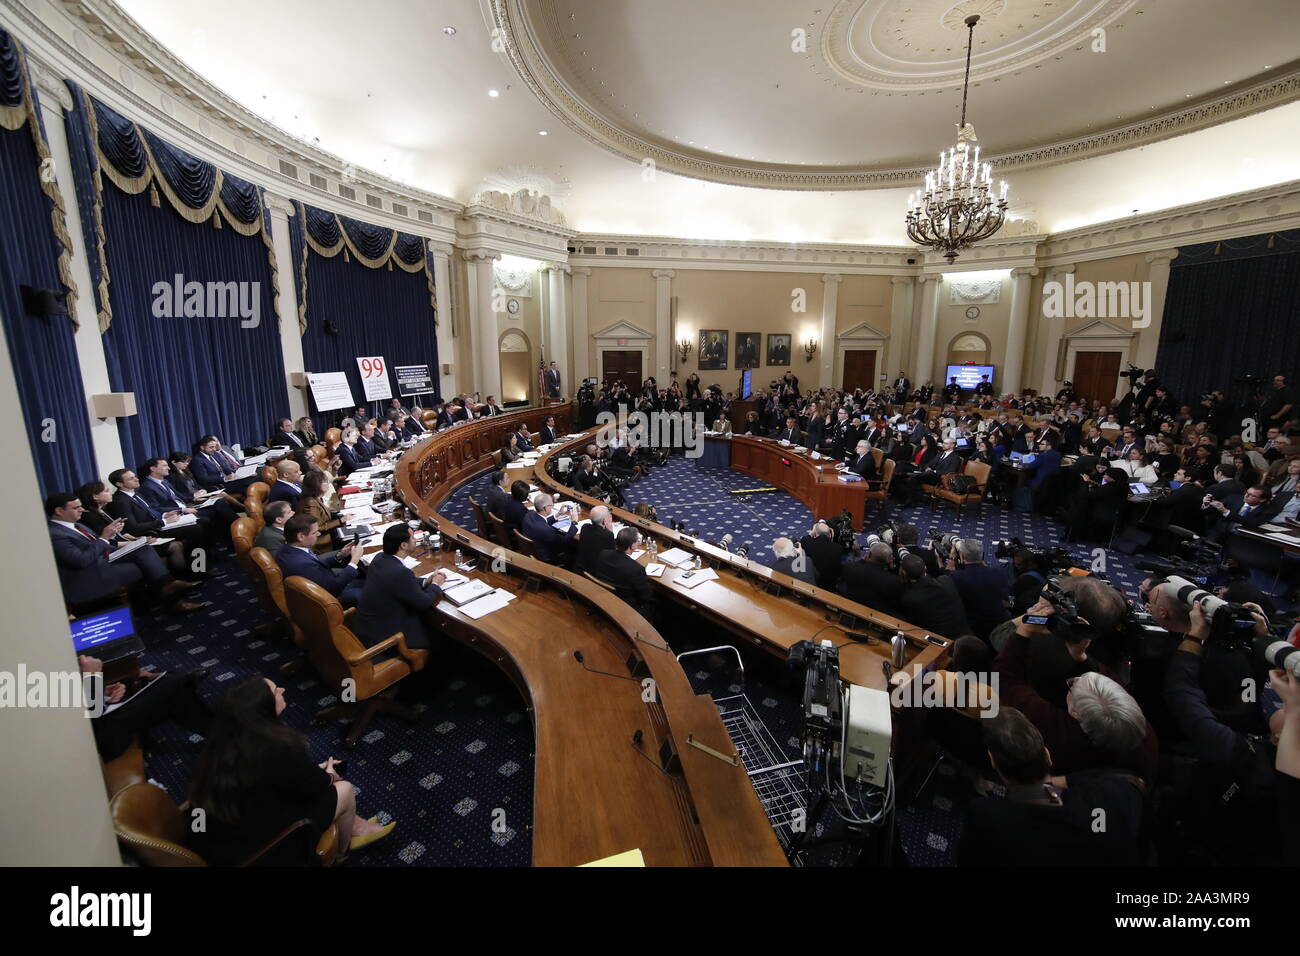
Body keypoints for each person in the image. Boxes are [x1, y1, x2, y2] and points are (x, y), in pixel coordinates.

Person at [187, 677, 393, 865]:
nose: (283, 690)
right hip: (261, 845)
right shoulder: (276, 746)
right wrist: (330, 774)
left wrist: (311, 772)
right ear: (264, 708)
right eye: (277, 691)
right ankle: (340, 854)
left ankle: (356, 826)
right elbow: (318, 785)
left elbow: (274, 777)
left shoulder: (225, 743)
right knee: (345, 790)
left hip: (228, 831)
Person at [995, 596, 1157, 783]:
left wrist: (1024, 631)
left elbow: (1006, 680)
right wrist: (1080, 657)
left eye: (1073, 685)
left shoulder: (1060, 735)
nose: (1073, 682)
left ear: (1074, 713)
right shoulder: (1145, 737)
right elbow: (1110, 680)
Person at [958, 708, 1145, 866]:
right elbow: (1130, 782)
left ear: (993, 762)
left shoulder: (987, 814)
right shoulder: (1109, 799)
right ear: (1047, 755)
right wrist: (1064, 782)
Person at [46, 491, 201, 609]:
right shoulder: (55, 534)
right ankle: (172, 598)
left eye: (80, 506)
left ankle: (167, 586)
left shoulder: (77, 525)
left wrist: (123, 541)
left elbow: (101, 543)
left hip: (106, 558)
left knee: (143, 549)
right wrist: (104, 537)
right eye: (76, 507)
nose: (81, 510)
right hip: (91, 572)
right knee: (146, 567)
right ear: (59, 511)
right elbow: (81, 560)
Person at [354, 524, 446, 654]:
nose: (416, 540)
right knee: (441, 636)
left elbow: (402, 584)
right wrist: (436, 584)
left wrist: (426, 581)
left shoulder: (380, 558)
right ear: (403, 545)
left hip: (368, 626)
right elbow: (423, 602)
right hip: (386, 634)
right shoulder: (399, 572)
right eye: (413, 537)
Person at [276, 515, 364, 608]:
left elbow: (316, 564)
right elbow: (334, 588)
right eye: (314, 532)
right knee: (373, 586)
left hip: (325, 582)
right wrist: (354, 561)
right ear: (301, 536)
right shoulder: (301, 563)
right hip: (331, 599)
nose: (319, 534)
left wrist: (340, 555)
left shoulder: (289, 549)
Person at [944, 539, 1010, 643]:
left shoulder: (956, 576)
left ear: (961, 555)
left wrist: (952, 558)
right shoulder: (1000, 572)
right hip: (998, 627)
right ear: (982, 555)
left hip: (970, 629)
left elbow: (944, 579)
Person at [897, 553, 970, 638]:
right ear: (925, 568)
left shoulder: (910, 598)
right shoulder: (946, 580)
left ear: (904, 573)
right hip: (966, 634)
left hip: (942, 642)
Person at [595, 527, 653, 616]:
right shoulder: (636, 569)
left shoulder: (603, 554)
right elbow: (645, 597)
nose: (638, 543)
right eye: (637, 541)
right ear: (632, 546)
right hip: (627, 609)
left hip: (605, 598)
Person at [838, 542, 903, 614]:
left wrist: (862, 560)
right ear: (889, 560)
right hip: (875, 614)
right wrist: (892, 569)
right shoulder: (892, 581)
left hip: (848, 606)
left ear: (868, 554)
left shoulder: (850, 567)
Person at [520, 493, 578, 565]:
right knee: (574, 548)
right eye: (551, 505)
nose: (552, 506)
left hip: (532, 550)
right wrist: (574, 522)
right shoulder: (546, 530)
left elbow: (543, 521)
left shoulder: (529, 514)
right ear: (545, 508)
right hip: (546, 558)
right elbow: (563, 539)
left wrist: (558, 514)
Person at [798, 521, 843, 591]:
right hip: (828, 587)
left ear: (814, 534)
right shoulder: (838, 548)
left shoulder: (805, 541)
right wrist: (832, 539)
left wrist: (811, 534)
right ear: (830, 535)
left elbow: (806, 539)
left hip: (808, 584)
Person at [576, 504, 616, 574]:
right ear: (604, 521)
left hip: (580, 567)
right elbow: (613, 553)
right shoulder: (608, 535)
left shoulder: (585, 527)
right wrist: (610, 531)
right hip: (596, 572)